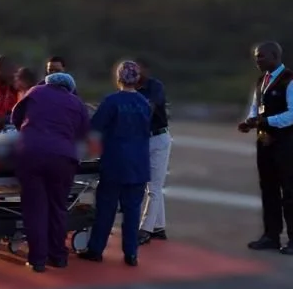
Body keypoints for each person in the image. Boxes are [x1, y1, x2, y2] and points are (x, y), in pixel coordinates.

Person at [11, 72, 91, 271]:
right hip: (63, 159)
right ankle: (58, 256)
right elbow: (82, 134)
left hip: (31, 155)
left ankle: (37, 260)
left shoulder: (35, 92)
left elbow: (15, 117)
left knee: (35, 208)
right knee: (58, 207)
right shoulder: (77, 102)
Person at [237, 41, 293, 255]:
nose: (257, 60)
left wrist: (266, 121)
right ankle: (271, 235)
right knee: (268, 188)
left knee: (290, 189)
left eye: (261, 56)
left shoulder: (291, 81)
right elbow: (256, 107)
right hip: (264, 141)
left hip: (285, 142)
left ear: (275, 56)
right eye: (256, 57)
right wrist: (250, 122)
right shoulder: (262, 80)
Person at [79, 60, 152, 266]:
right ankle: (131, 253)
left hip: (115, 162)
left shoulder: (112, 101)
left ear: (118, 77)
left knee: (106, 208)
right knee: (132, 211)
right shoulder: (143, 103)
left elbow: (95, 127)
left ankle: (96, 249)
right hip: (138, 164)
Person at [136, 61, 172, 245]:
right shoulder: (131, 88)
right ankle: (158, 227)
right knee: (153, 185)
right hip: (144, 139)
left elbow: (150, 106)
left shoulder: (155, 86)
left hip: (158, 138)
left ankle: (145, 229)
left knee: (154, 186)